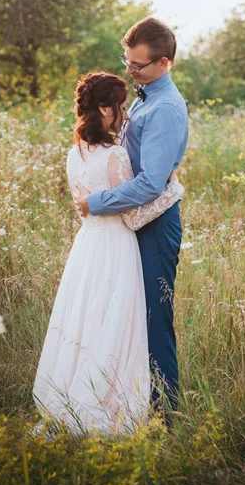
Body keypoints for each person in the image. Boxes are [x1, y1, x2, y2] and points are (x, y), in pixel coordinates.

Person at [32, 71, 184, 436]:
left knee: (87, 320)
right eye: (119, 107)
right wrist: (173, 191)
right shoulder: (115, 155)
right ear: (104, 109)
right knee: (116, 322)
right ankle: (109, 403)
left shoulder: (74, 152)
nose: (125, 114)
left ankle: (74, 394)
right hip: (116, 247)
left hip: (87, 247)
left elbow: (82, 205)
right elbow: (133, 217)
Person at [75, 18, 189, 425]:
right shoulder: (142, 97)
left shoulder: (167, 108)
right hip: (131, 224)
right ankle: (126, 403)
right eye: (126, 62)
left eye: (138, 66)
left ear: (164, 63)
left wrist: (96, 201)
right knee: (127, 316)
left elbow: (150, 184)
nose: (130, 71)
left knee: (154, 321)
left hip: (155, 225)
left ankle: (164, 418)